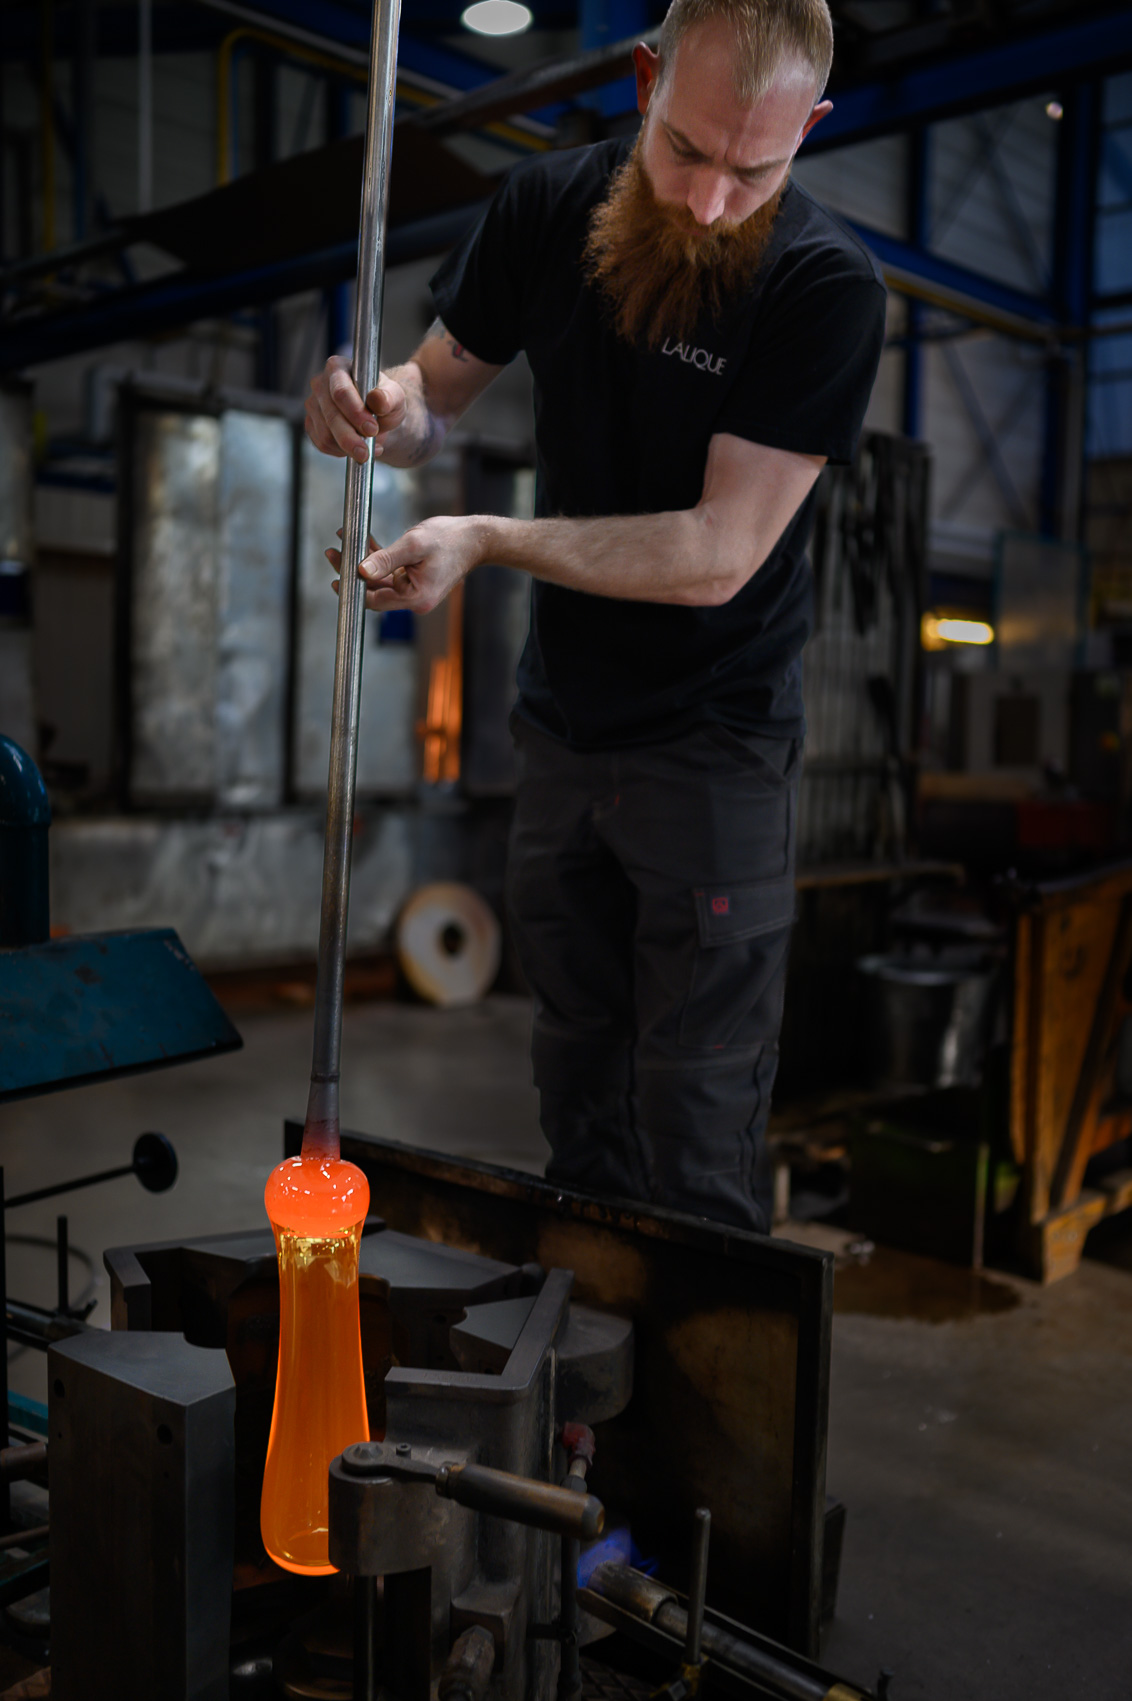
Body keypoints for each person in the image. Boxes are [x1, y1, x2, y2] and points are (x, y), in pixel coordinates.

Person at [306, 0, 887, 1233]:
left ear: (811, 131)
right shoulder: (548, 210)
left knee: (695, 1117)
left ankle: (698, 1412)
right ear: (643, 80)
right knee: (578, 1087)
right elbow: (435, 405)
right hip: (566, 727)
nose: (712, 202)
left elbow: (718, 554)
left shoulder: (824, 287)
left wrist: (485, 539)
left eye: (758, 167)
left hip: (715, 743)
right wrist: (378, 404)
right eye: (688, 150)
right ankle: (583, 1408)